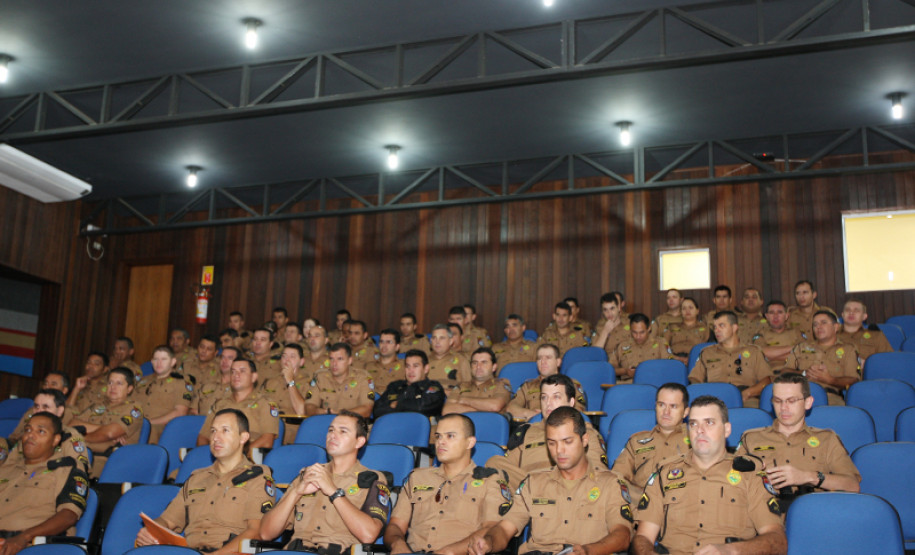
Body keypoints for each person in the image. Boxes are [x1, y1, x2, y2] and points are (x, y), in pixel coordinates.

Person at [631, 396, 787, 555]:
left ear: (727, 429)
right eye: (693, 424)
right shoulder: (664, 473)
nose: (700, 430)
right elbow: (643, 537)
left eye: (709, 422)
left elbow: (777, 541)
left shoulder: (750, 474)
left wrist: (731, 550)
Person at [472, 407, 632, 555]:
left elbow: (622, 535)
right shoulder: (533, 482)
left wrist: (588, 550)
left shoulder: (610, 484)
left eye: (567, 442)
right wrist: (488, 542)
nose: (559, 451)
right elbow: (505, 529)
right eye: (552, 443)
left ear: (584, 440)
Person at [136, 409, 275, 554]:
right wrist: (150, 531)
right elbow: (167, 521)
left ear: (243, 437)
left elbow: (256, 531)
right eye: (213, 431)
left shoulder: (257, 476)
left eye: (225, 431)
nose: (216, 437)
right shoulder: (196, 478)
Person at [258, 411, 391, 552]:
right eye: (331, 430)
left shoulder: (371, 479)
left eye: (343, 431)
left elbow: (368, 535)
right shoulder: (309, 474)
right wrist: (296, 492)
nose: (333, 435)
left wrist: (334, 492)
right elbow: (266, 533)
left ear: (359, 441)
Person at [384, 414, 512, 555]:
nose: (441, 442)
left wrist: (449, 551)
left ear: (470, 443)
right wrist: (397, 544)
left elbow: (492, 528)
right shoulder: (417, 477)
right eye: (438, 436)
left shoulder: (490, 479)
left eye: (450, 436)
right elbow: (395, 525)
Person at [736, 373, 860, 511]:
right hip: (764, 514)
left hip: (811, 515)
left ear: (808, 402)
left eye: (792, 401)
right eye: (778, 401)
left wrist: (809, 477)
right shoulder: (751, 438)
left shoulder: (827, 439)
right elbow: (732, 481)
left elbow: (852, 486)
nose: (783, 407)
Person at [490, 374, 606, 489]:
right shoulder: (527, 432)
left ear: (571, 403)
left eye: (556, 397)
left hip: (568, 492)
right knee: (494, 462)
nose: (548, 403)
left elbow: (598, 473)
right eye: (544, 397)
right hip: (531, 491)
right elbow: (508, 468)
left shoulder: (585, 432)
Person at [0, 412, 89, 554]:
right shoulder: (6, 469)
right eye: (28, 430)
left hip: (31, 546)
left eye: (40, 431)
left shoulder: (66, 469)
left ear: (56, 440)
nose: (30, 435)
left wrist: (24, 537)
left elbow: (69, 515)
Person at [611, 383, 690, 492]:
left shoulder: (696, 442)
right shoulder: (636, 442)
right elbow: (617, 477)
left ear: (685, 412)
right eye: (661, 405)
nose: (666, 412)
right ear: (655, 406)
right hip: (641, 503)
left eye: (673, 406)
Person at [69, 367, 145, 477]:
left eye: (119, 383)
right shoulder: (97, 406)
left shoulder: (134, 408)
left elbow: (110, 433)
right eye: (110, 382)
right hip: (79, 453)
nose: (113, 387)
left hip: (107, 462)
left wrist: (81, 435)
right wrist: (104, 429)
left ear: (129, 389)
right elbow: (72, 424)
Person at [690, 311, 772, 407]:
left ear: (734, 328)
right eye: (715, 327)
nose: (717, 330)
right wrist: (704, 395)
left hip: (746, 399)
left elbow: (766, 381)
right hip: (715, 399)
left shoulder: (754, 352)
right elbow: (694, 379)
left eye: (721, 326)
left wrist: (748, 393)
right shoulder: (706, 353)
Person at [197, 359, 279, 451]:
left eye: (242, 371)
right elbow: (203, 437)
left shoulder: (265, 403)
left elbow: (267, 441)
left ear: (254, 377)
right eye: (233, 372)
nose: (236, 375)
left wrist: (237, 456)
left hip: (248, 459)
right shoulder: (220, 404)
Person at [783, 310, 860, 405]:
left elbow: (854, 381)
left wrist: (831, 380)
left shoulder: (848, 350)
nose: (818, 327)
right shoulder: (801, 347)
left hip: (831, 398)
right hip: (800, 396)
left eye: (823, 323)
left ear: (836, 327)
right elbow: (784, 372)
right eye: (815, 324)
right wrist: (804, 373)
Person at [3, 389, 89, 473]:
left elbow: (77, 471)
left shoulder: (70, 436)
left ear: (60, 411)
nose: (39, 411)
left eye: (46, 407)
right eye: (36, 406)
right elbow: (7, 467)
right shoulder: (28, 434)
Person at [506, 344, 586, 421]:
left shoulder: (571, 384)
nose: (543, 362)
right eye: (539, 358)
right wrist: (533, 415)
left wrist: (550, 415)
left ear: (558, 362)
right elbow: (511, 408)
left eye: (548, 357)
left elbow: (579, 410)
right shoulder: (527, 386)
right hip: (534, 429)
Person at [131, 345, 193, 443]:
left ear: (173, 362)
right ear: (151, 361)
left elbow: (180, 412)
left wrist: (148, 423)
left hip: (161, 429)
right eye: (156, 359)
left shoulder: (181, 381)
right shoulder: (143, 381)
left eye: (164, 359)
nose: (159, 363)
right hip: (136, 425)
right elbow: (130, 405)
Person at [303, 343, 375, 418]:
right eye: (331, 359)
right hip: (326, 422)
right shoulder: (320, 377)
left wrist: (339, 413)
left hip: (353, 425)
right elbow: (309, 408)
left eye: (340, 359)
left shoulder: (362, 378)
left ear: (350, 361)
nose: (334, 364)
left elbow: (367, 410)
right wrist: (326, 412)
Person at [373, 349, 446, 419]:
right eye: (408, 366)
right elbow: (377, 410)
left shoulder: (433, 387)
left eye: (415, 366)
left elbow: (422, 407)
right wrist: (407, 406)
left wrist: (397, 404)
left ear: (426, 368)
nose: (411, 371)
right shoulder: (395, 386)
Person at [442, 348, 512, 415]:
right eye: (475, 363)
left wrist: (464, 400)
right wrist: (484, 409)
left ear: (494, 367)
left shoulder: (502, 383)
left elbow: (495, 406)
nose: (478, 366)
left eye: (484, 362)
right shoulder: (461, 386)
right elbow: (447, 410)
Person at [609, 313, 673, 383]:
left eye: (642, 332)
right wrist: (625, 371)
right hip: (628, 385)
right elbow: (610, 369)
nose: (638, 336)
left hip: (653, 383)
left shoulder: (660, 343)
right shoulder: (622, 346)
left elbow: (669, 366)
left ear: (649, 328)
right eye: (634, 332)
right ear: (630, 329)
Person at [753, 300, 806, 374]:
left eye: (780, 312)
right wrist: (794, 348)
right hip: (770, 376)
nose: (775, 316)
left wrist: (770, 356)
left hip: (794, 374)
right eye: (771, 313)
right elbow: (761, 353)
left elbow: (803, 354)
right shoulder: (760, 334)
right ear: (767, 316)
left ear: (787, 316)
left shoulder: (796, 332)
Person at [194, 346, 240, 416]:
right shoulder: (207, 384)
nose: (224, 361)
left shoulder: (239, 389)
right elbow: (193, 411)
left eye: (230, 358)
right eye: (222, 357)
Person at [664, 297, 710, 364]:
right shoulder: (671, 328)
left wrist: (693, 359)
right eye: (684, 308)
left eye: (690, 308)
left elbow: (708, 349)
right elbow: (664, 346)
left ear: (697, 311)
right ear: (681, 312)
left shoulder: (705, 329)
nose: (687, 311)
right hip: (674, 361)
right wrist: (675, 358)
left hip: (696, 361)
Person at [593, 293, 631, 359]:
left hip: (629, 361)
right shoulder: (600, 328)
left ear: (619, 308)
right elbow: (595, 354)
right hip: (609, 365)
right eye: (605, 310)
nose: (609, 313)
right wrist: (605, 331)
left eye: (612, 308)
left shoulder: (630, 323)